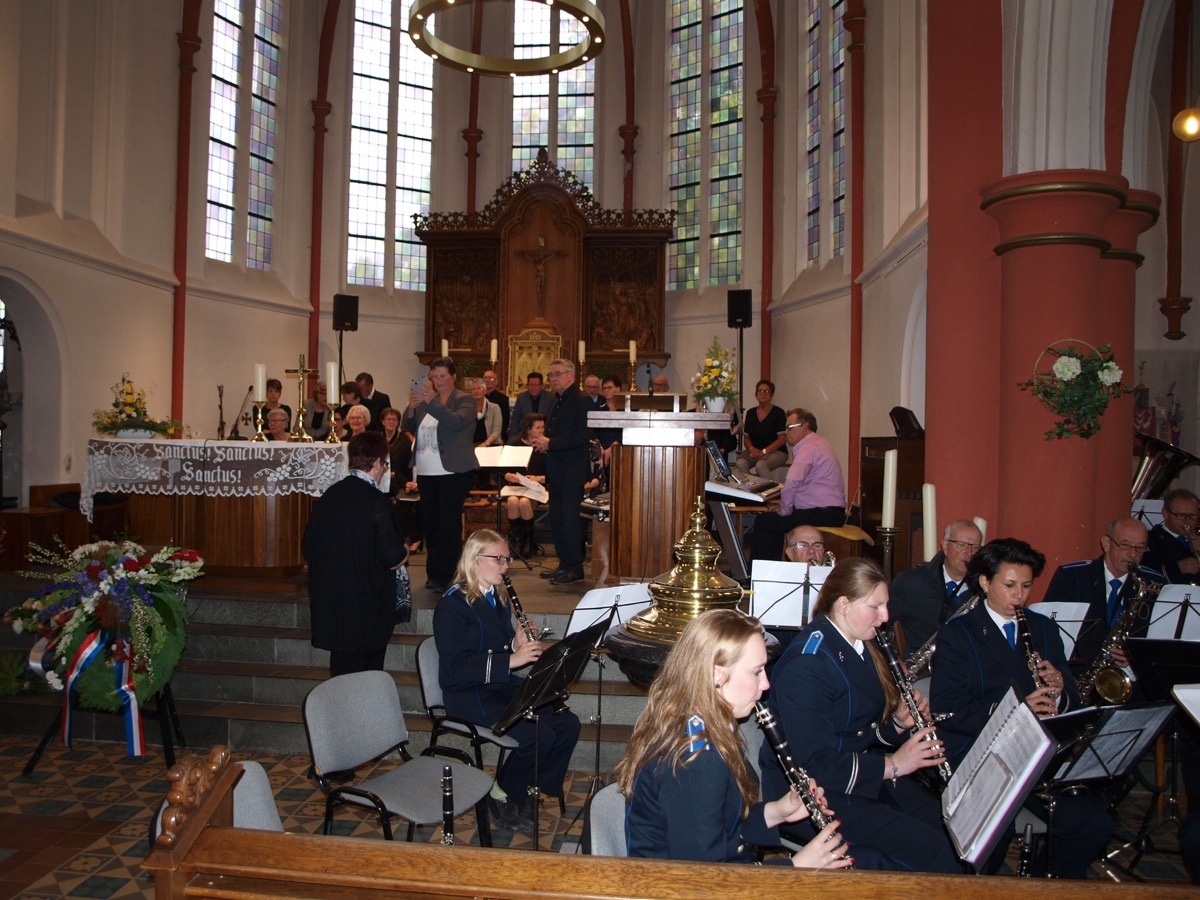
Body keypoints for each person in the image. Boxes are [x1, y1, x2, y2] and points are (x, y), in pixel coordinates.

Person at [759, 557, 963, 874]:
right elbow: (814, 763)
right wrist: (895, 764)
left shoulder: (861, 642)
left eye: (886, 606)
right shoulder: (808, 663)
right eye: (875, 607)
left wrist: (897, 724)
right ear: (843, 604)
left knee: (949, 827)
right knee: (932, 850)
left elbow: (860, 731)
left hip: (856, 776)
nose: (885, 617)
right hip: (810, 793)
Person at [614, 609, 852, 867]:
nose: (766, 685)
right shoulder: (697, 760)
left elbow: (718, 826)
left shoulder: (705, 724)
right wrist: (796, 867)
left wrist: (778, 812)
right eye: (757, 672)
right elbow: (706, 878)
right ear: (717, 675)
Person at [931, 538, 1111, 878]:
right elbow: (948, 711)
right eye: (1010, 585)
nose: (1020, 596)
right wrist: (1013, 710)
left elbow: (1073, 698)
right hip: (981, 753)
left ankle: (1045, 884)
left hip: (1039, 754)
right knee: (992, 839)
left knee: (1091, 823)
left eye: (1027, 586)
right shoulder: (959, 634)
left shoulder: (1042, 627)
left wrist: (1059, 690)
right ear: (985, 582)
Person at [433, 530, 580, 830]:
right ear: (475, 561)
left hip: (497, 687)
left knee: (567, 724)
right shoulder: (452, 606)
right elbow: (457, 667)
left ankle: (527, 788)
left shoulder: (495, 597)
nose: (505, 565)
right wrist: (512, 659)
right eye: (498, 559)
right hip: (469, 695)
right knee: (539, 736)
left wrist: (516, 643)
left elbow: (498, 646)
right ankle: (500, 793)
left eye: (507, 559)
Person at [302, 431, 409, 676]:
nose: (383, 469)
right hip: (365, 607)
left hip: (332, 600)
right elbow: (392, 557)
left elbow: (308, 547)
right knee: (365, 677)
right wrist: (404, 549)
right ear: (376, 463)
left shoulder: (330, 495)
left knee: (341, 672)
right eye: (384, 463)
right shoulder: (377, 501)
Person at [1040, 515, 1164, 679]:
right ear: (1106, 544)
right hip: (1077, 678)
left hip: (1127, 680)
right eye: (1125, 545)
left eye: (1140, 548)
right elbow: (1046, 632)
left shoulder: (1154, 583)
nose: (1133, 554)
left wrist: (1135, 657)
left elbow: (1161, 641)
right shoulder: (1072, 576)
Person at [403, 356, 477, 592]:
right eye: (434, 377)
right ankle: (434, 573)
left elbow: (457, 422)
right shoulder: (426, 401)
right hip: (427, 471)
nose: (438, 380)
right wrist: (412, 409)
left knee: (449, 524)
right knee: (432, 524)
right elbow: (409, 426)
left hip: (452, 471)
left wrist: (433, 402)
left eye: (443, 376)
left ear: (454, 377)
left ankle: (452, 574)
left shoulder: (464, 399)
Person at [746, 408, 846, 569]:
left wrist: (784, 510)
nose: (786, 432)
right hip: (831, 512)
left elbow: (792, 483)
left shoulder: (808, 448)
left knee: (765, 521)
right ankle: (771, 570)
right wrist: (785, 508)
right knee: (774, 522)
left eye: (789, 427)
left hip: (823, 513)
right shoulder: (820, 443)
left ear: (805, 426)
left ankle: (760, 575)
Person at [532, 358, 591, 585]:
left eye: (557, 374)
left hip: (572, 470)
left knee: (571, 520)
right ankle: (564, 563)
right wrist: (542, 441)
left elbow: (582, 436)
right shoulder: (555, 400)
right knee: (557, 520)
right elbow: (553, 433)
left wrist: (550, 443)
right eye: (551, 375)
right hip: (556, 468)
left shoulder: (582, 400)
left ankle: (575, 568)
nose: (553, 379)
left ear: (571, 375)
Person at [888, 519, 983, 657]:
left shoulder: (984, 587)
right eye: (962, 545)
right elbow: (878, 625)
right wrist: (893, 661)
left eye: (975, 547)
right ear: (945, 546)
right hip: (925, 673)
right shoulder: (910, 582)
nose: (969, 553)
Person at [503, 413, 547, 558]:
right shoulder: (515, 444)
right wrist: (509, 475)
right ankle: (517, 541)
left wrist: (539, 478)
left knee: (524, 503)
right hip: (516, 486)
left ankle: (528, 542)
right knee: (512, 501)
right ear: (528, 429)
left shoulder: (546, 446)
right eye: (537, 427)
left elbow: (554, 472)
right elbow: (505, 469)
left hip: (536, 487)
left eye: (543, 427)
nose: (541, 431)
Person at [1143, 487, 1200, 584]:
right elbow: (1143, 574)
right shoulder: (1150, 540)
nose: (1188, 521)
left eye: (1193, 516)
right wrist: (1178, 568)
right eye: (1181, 515)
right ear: (1165, 514)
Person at [734, 380, 787, 479]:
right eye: (760, 391)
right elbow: (746, 437)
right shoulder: (751, 413)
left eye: (766, 391)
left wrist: (764, 451)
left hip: (776, 451)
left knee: (761, 465)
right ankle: (751, 488)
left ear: (771, 395)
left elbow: (781, 439)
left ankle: (768, 491)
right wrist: (751, 449)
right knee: (740, 463)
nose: (763, 393)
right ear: (756, 394)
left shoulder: (778, 412)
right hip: (755, 451)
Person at [508, 372, 548, 443]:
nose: (533, 388)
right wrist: (512, 436)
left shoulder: (550, 398)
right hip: (526, 433)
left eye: (536, 385)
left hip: (543, 433)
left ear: (541, 385)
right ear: (527, 386)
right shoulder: (522, 398)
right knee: (512, 441)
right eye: (531, 385)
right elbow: (515, 419)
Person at [470, 377, 503, 447]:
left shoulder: (494, 408)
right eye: (473, 389)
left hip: (491, 444)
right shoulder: (467, 408)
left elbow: (496, 432)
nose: (476, 391)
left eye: (479, 388)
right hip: (471, 444)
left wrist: (486, 444)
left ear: (485, 391)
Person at [483, 369, 511, 439]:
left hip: (497, 434)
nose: (487, 380)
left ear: (496, 382)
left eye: (490, 378)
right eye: (485, 378)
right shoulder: (479, 397)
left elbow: (505, 421)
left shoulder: (502, 399)